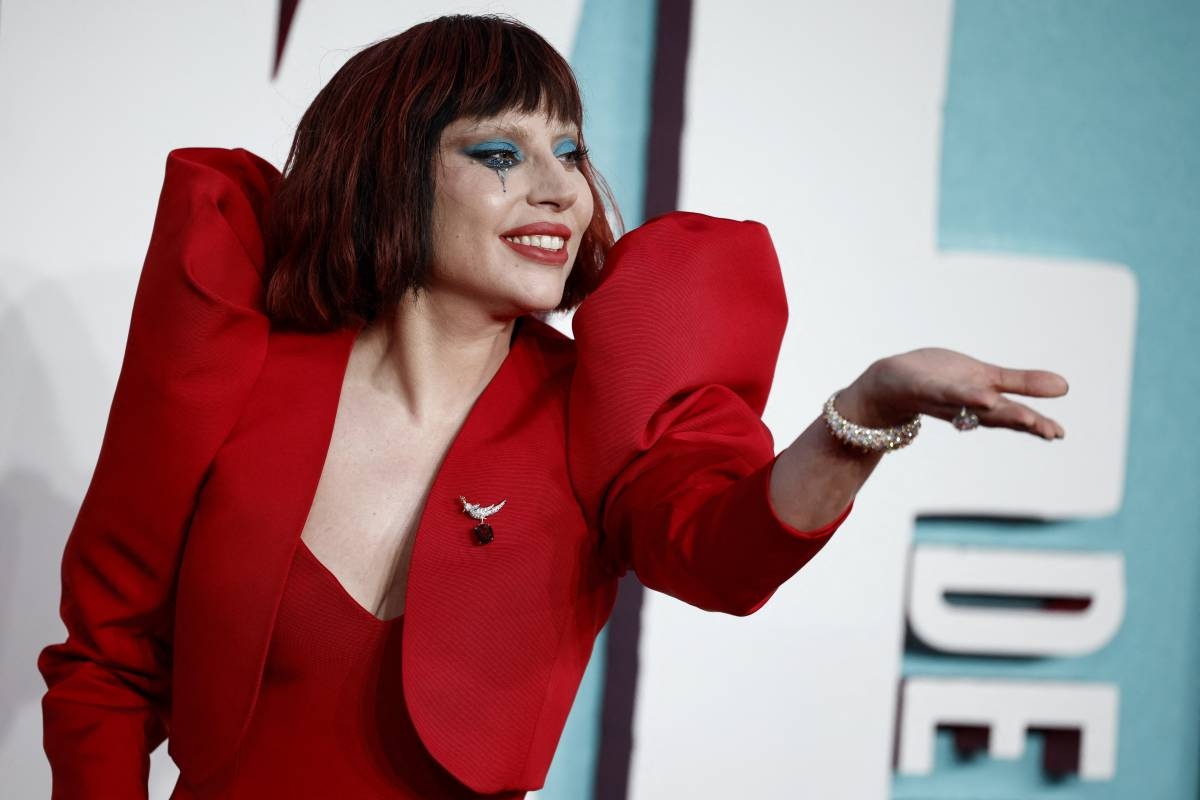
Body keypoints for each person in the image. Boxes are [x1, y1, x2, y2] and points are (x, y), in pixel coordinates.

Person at [37, 13, 1068, 800]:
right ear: (393, 176)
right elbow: (106, 664)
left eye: (570, 151)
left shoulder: (592, 406)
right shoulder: (234, 366)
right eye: (501, 154)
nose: (560, 190)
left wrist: (864, 409)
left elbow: (727, 545)